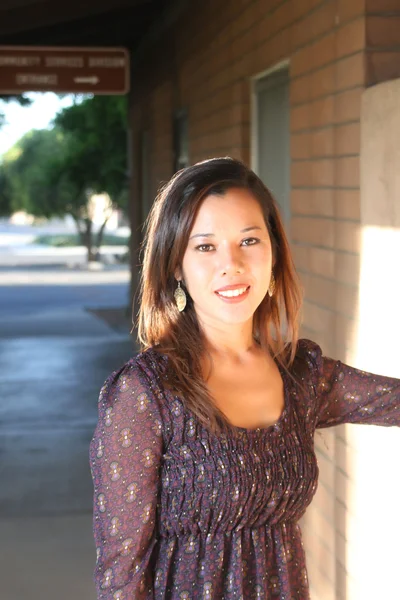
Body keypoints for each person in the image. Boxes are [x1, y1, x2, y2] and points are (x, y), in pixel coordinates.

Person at [89, 157, 400, 599]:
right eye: (205, 247)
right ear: (175, 265)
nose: (231, 264)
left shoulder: (301, 377)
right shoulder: (145, 393)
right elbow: (120, 575)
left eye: (248, 240)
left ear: (273, 252)